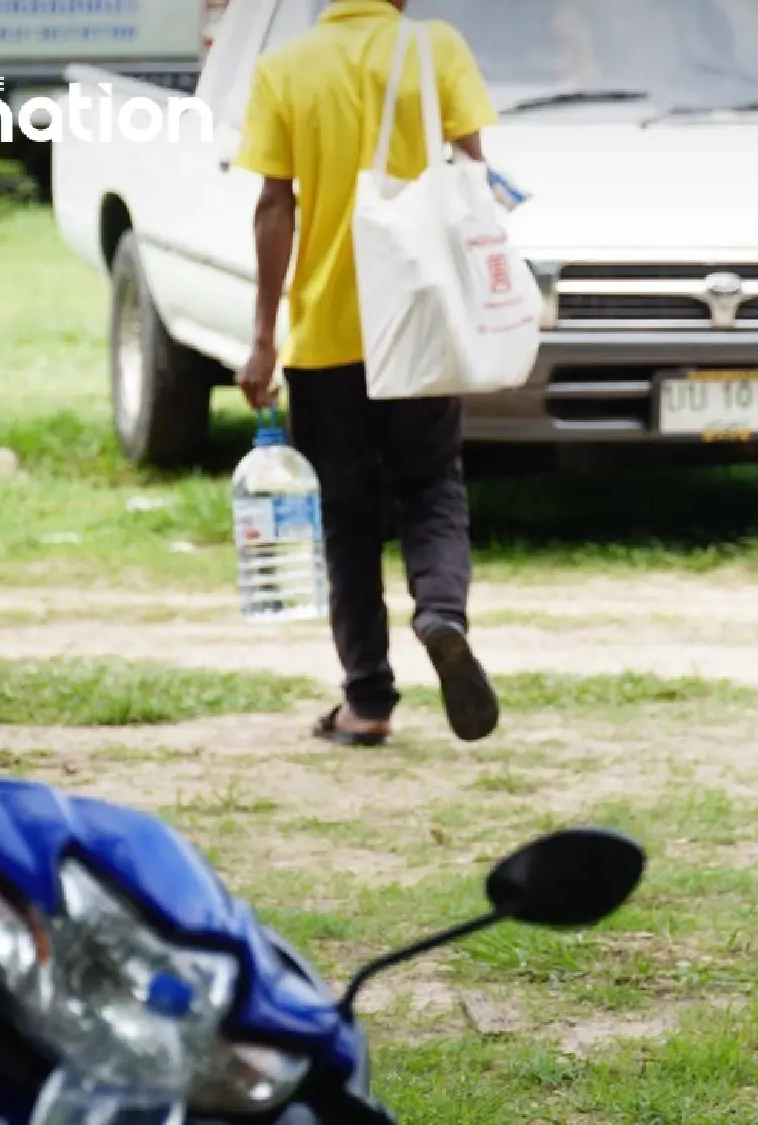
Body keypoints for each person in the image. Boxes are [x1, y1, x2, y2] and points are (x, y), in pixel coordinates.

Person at [234, 0, 501, 746]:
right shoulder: (436, 49)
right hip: (420, 322)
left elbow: (274, 205)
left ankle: (367, 700)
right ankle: (442, 610)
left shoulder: (285, 68)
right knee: (432, 484)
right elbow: (473, 179)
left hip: (328, 335)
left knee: (348, 521)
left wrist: (263, 338)